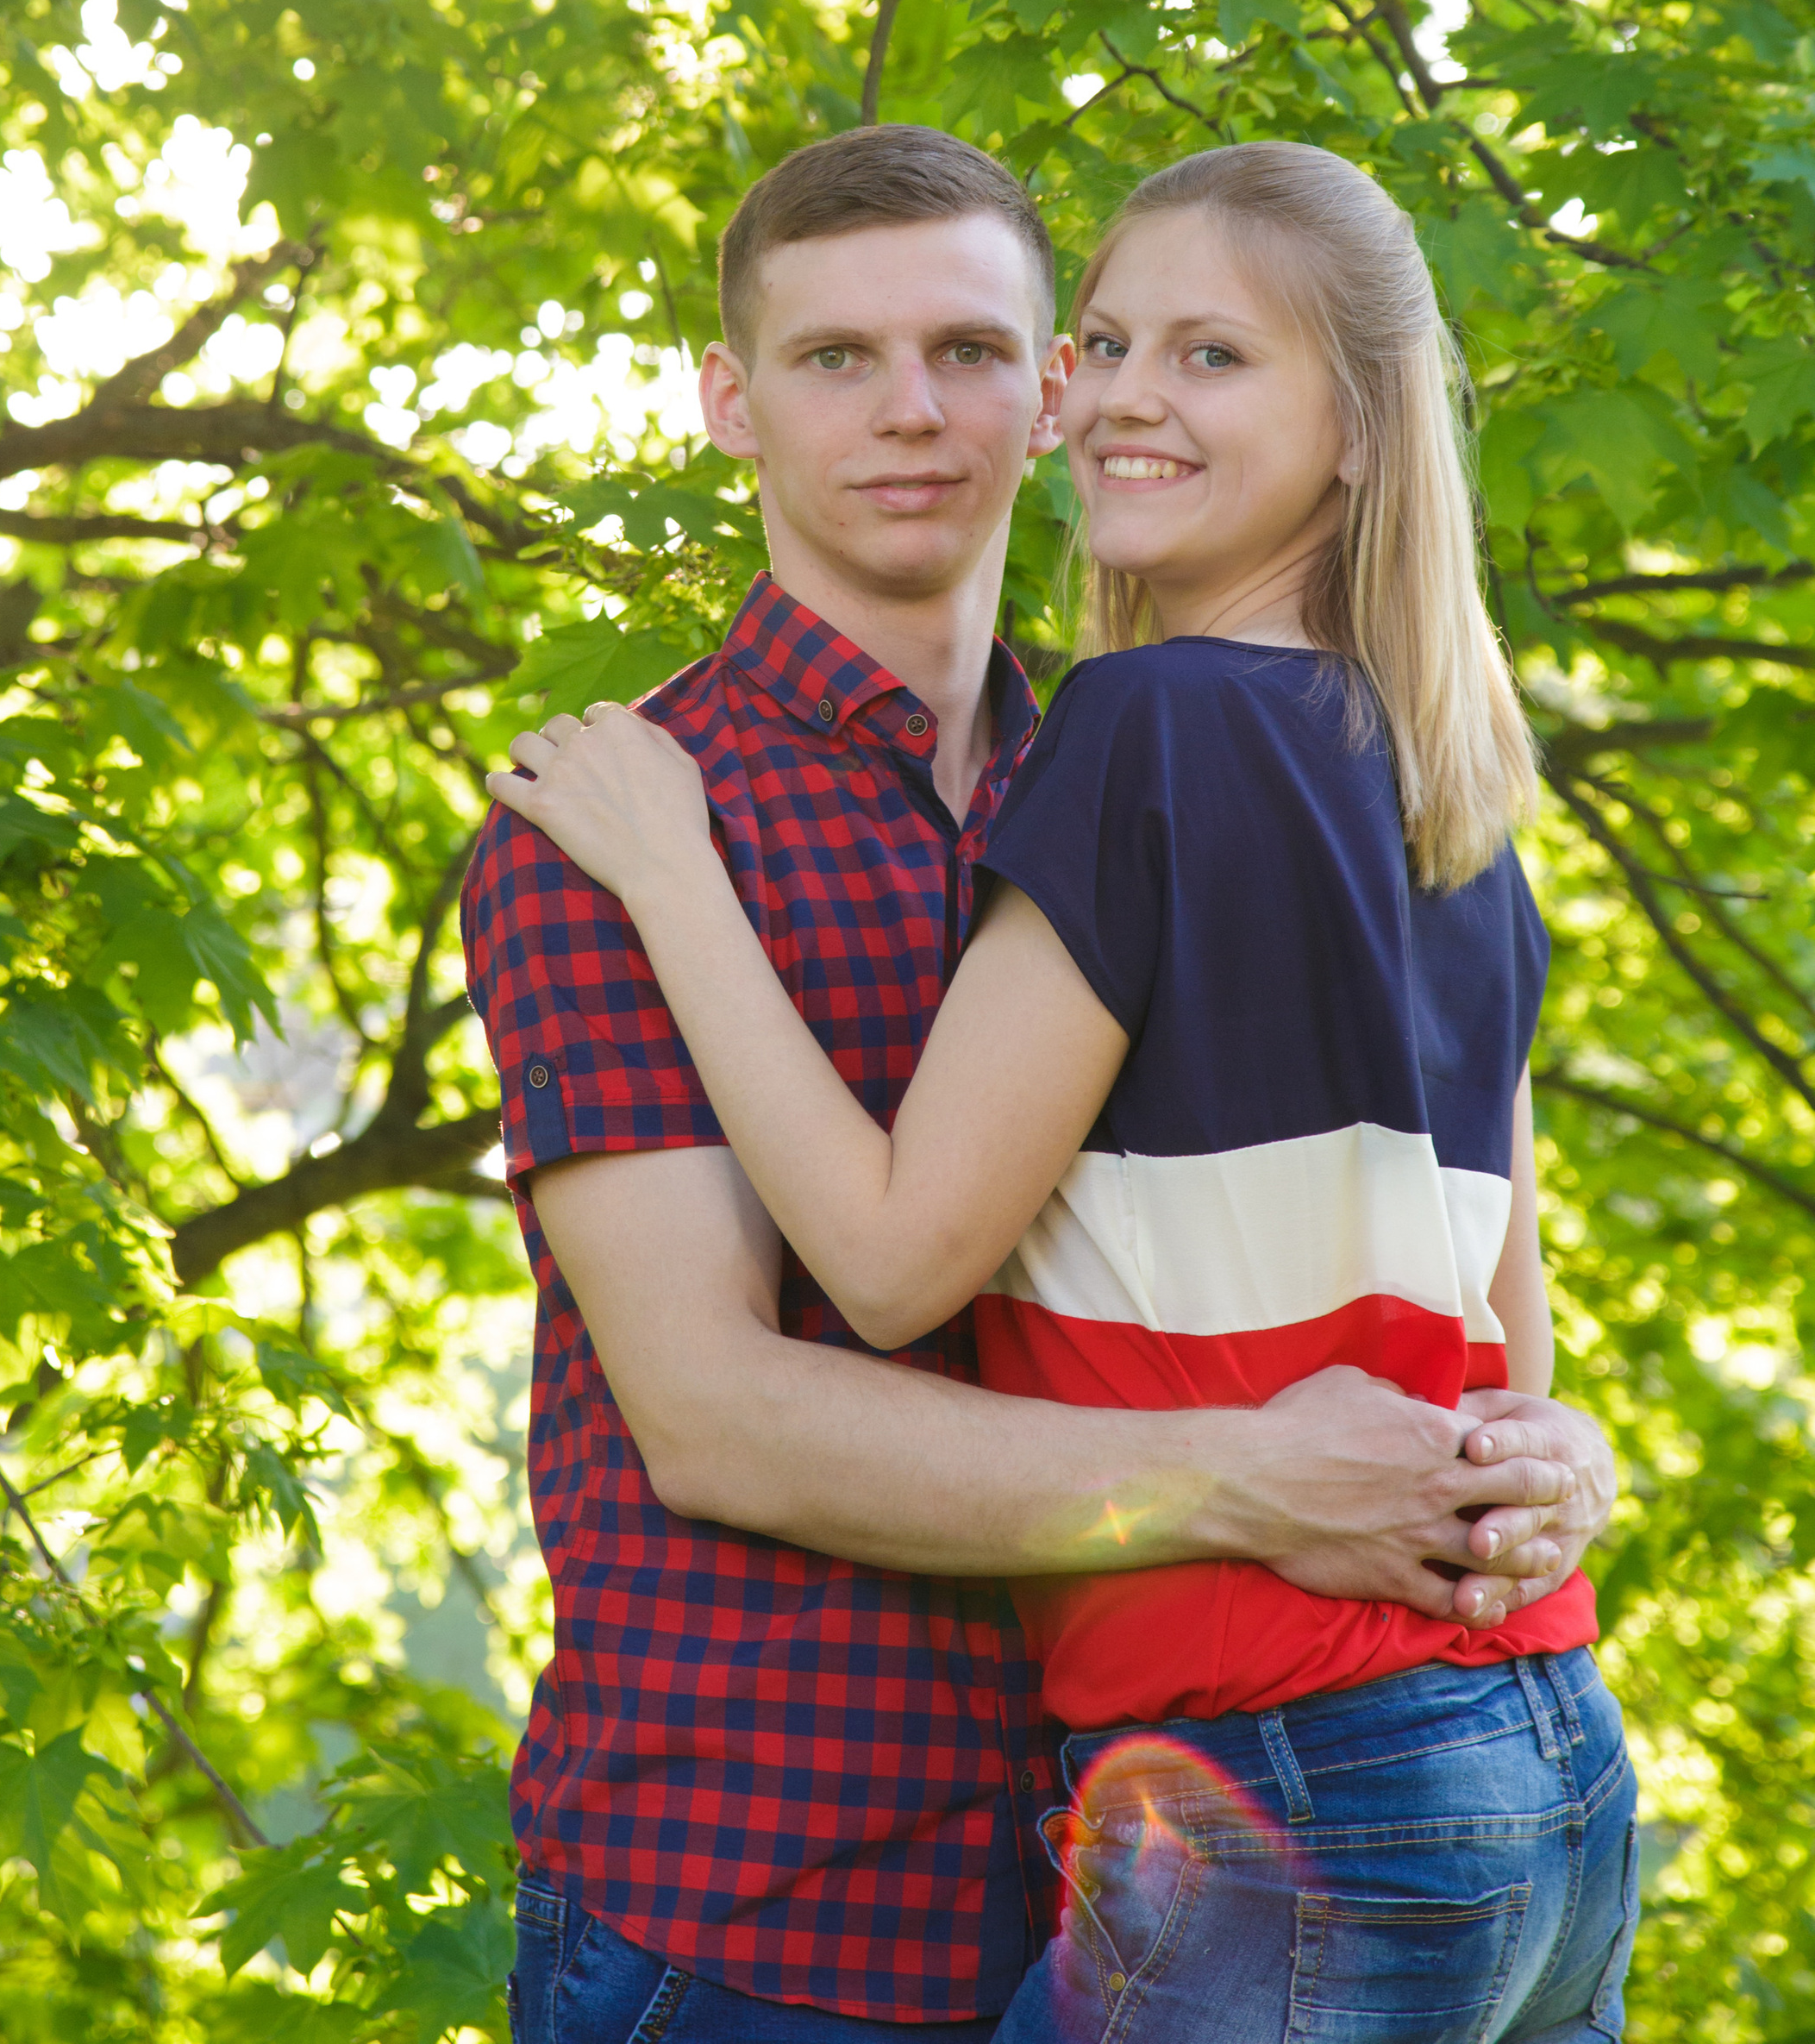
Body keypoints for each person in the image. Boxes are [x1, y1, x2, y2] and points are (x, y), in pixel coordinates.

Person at [466, 129, 1616, 2044]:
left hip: (1200, 1816)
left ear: (1044, 393)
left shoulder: (1159, 758)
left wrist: (1548, 1456)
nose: (910, 411)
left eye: (973, 352)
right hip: (775, 1902)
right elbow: (717, 1422)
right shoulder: (616, 825)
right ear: (733, 404)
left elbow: (1476, 1330)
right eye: (835, 359)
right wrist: (1263, 1482)